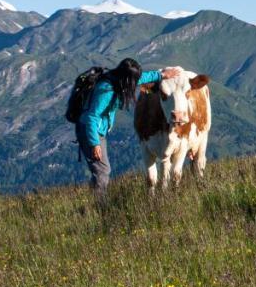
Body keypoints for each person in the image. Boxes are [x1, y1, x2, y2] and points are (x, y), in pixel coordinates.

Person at [77, 58, 182, 204]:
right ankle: (99, 207)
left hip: (97, 131)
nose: (135, 85)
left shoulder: (118, 79)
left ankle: (93, 199)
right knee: (103, 170)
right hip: (90, 131)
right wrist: (94, 143)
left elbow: (141, 78)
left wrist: (161, 75)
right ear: (127, 79)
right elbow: (91, 117)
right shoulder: (106, 90)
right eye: (133, 81)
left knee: (101, 169)